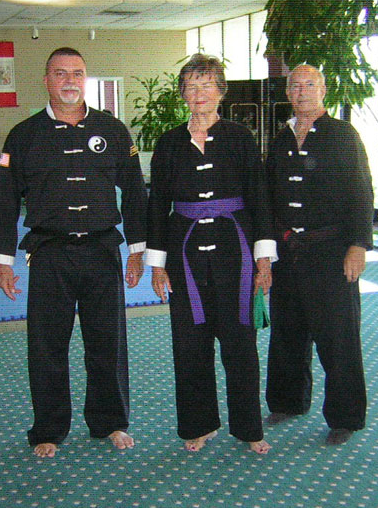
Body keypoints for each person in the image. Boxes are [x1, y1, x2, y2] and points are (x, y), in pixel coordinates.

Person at [0, 47, 148, 458]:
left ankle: (110, 422)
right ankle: (49, 428)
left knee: (107, 344)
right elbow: (5, 201)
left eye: (76, 73)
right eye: (60, 73)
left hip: (102, 250)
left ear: (85, 79)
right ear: (47, 80)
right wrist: (2, 262)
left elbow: (134, 193)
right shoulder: (24, 135)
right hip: (49, 252)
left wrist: (137, 251)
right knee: (47, 346)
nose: (69, 81)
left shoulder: (112, 130)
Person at [145, 54, 275, 455]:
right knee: (190, 345)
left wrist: (264, 259)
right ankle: (198, 425)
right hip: (184, 254)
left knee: (240, 344)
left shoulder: (240, 137)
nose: (198, 93)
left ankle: (249, 428)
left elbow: (259, 198)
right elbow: (157, 206)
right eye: (191, 86)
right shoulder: (168, 143)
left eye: (206, 85)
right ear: (182, 94)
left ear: (220, 91)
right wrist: (157, 265)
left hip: (236, 252)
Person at [264, 64, 374, 446]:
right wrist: (266, 250)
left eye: (310, 84)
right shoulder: (281, 139)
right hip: (288, 252)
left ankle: (345, 417)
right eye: (295, 86)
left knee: (338, 337)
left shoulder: (343, 135)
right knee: (287, 330)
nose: (302, 91)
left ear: (323, 89)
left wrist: (358, 244)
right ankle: (288, 401)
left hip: (332, 252)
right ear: (288, 93)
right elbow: (269, 196)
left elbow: (362, 190)